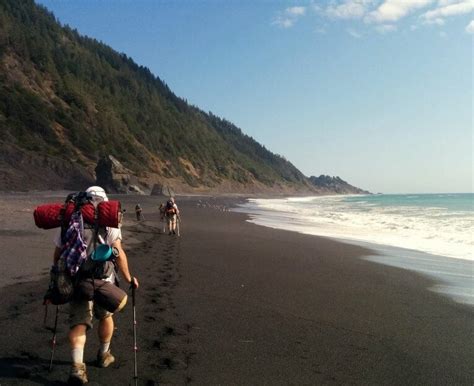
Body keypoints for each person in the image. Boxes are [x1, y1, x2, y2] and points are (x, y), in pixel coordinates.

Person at [51, 186, 139, 385]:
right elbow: (118, 253)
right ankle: (103, 354)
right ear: (104, 201)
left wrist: (57, 275)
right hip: (103, 280)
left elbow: (58, 254)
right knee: (105, 316)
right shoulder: (109, 222)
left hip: (77, 280)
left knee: (79, 323)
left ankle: (77, 368)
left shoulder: (69, 219)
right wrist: (128, 278)